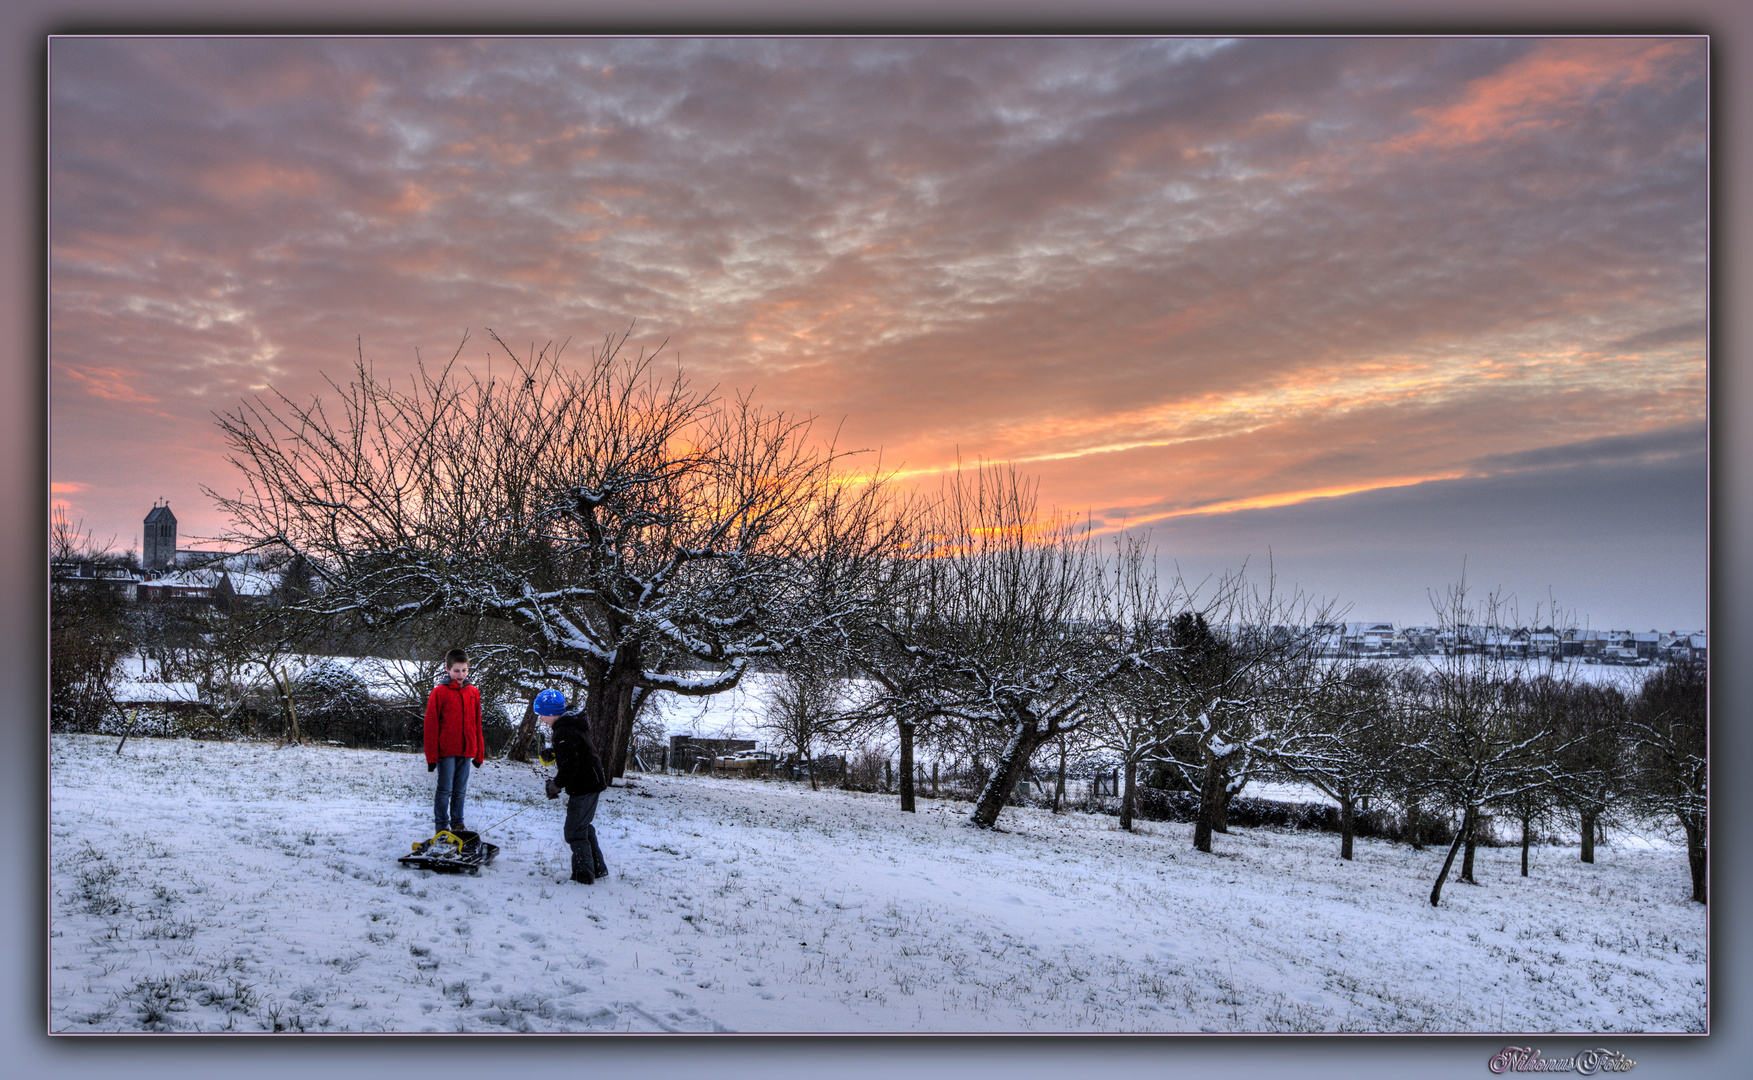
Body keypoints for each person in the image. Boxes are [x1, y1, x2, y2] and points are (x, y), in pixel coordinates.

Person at [534, 689, 609, 884]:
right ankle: (598, 869)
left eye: (542, 714)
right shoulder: (569, 725)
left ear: (551, 713)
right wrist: (555, 752)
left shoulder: (564, 731)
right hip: (591, 781)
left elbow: (570, 767)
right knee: (583, 827)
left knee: (575, 830)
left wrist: (555, 785)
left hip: (585, 785)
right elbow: (575, 751)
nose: (541, 719)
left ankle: (583, 875)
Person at [424, 649, 485, 837]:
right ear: (448, 669)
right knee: (445, 790)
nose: (461, 675)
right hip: (446, 751)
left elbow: (477, 724)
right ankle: (442, 826)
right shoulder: (439, 693)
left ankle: (458, 823)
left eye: (464, 671)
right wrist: (432, 757)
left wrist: (479, 753)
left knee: (460, 790)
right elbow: (431, 726)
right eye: (457, 671)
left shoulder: (473, 693)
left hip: (466, 750)